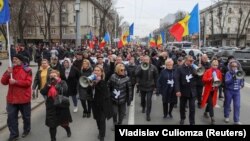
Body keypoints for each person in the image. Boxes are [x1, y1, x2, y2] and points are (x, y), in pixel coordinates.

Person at [1, 54, 32, 141]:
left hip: (24, 99)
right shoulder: (10, 69)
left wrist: (16, 82)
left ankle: (27, 129)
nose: (14, 60)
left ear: (21, 60)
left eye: (16, 59)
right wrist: (7, 73)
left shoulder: (27, 70)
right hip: (11, 99)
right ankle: (14, 135)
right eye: (13, 59)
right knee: (11, 118)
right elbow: (3, 82)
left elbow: (28, 83)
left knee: (26, 117)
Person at [40, 70, 72, 141]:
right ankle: (53, 139)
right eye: (51, 76)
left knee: (64, 123)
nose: (52, 77)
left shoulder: (62, 82)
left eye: (54, 76)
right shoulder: (48, 83)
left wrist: (58, 83)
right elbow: (42, 92)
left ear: (58, 76)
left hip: (61, 106)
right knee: (52, 126)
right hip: (51, 106)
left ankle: (68, 129)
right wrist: (47, 87)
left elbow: (65, 90)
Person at [92, 65, 113, 141]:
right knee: (97, 120)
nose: (96, 72)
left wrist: (96, 83)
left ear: (101, 73)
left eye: (98, 71)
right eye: (95, 70)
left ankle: (102, 136)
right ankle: (100, 131)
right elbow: (88, 92)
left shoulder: (103, 82)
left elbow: (103, 92)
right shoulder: (91, 80)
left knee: (102, 121)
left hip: (103, 105)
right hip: (95, 104)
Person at [175, 55, 197, 125]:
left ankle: (192, 122)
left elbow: (197, 76)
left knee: (192, 108)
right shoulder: (180, 68)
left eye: (192, 61)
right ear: (186, 60)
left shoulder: (193, 67)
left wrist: (198, 70)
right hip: (183, 90)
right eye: (190, 61)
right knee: (182, 107)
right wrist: (177, 90)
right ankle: (182, 118)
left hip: (192, 91)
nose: (191, 62)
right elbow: (177, 80)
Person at [135, 55, 158, 121]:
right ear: (142, 60)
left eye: (147, 60)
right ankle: (143, 107)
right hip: (142, 86)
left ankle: (148, 114)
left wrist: (156, 87)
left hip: (150, 86)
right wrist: (141, 69)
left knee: (149, 100)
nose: (145, 61)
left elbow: (156, 77)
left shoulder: (153, 67)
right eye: (144, 60)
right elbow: (136, 74)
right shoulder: (139, 66)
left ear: (149, 60)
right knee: (142, 99)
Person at [108, 64, 132, 129]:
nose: (123, 71)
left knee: (122, 113)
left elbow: (129, 90)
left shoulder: (127, 78)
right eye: (121, 70)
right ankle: (115, 123)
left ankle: (120, 123)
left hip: (123, 99)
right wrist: (109, 95)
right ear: (118, 70)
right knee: (114, 112)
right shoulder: (113, 76)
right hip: (114, 99)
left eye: (124, 70)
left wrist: (129, 100)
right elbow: (108, 86)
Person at [201, 59, 222, 125]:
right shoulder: (208, 71)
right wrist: (210, 79)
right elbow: (203, 79)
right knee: (210, 103)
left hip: (214, 90)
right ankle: (212, 118)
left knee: (211, 103)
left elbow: (220, 80)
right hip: (208, 90)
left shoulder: (218, 72)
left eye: (216, 65)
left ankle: (205, 112)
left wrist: (217, 83)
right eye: (214, 65)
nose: (215, 66)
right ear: (211, 65)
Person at [224, 60, 244, 125]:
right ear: (230, 66)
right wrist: (233, 78)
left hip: (237, 92)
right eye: (233, 66)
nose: (234, 67)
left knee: (237, 105)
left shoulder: (239, 72)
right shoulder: (228, 73)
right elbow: (226, 82)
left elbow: (242, 79)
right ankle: (226, 116)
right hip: (229, 91)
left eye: (236, 66)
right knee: (227, 104)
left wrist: (241, 84)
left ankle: (236, 120)